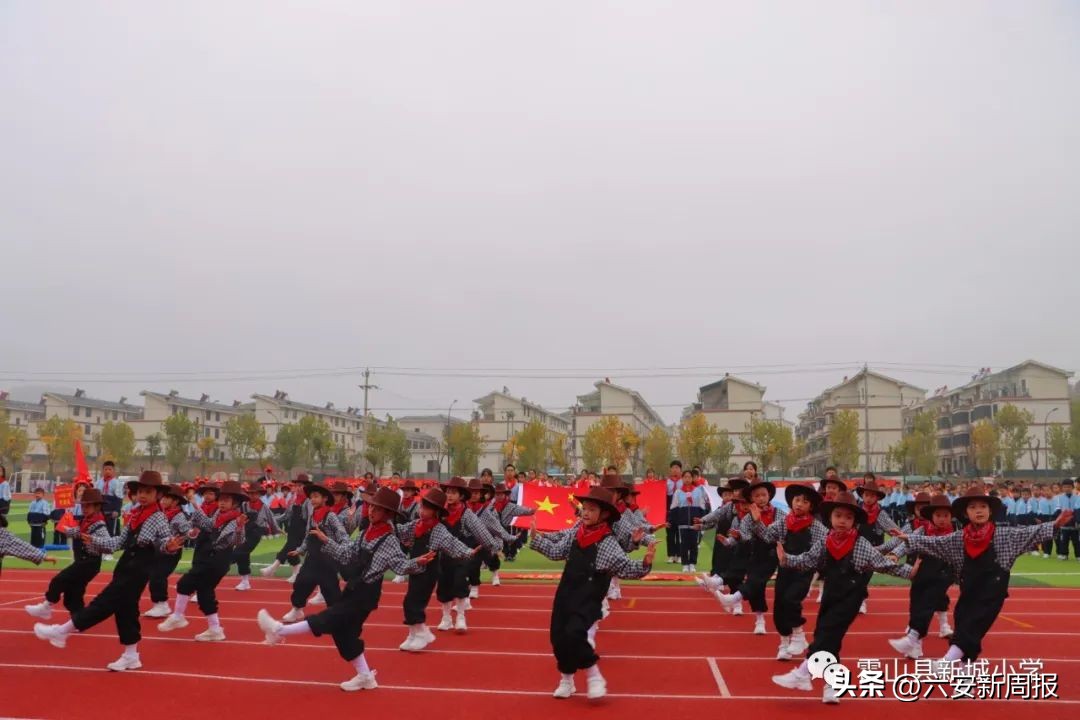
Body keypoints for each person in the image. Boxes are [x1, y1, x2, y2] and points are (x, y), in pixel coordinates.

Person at [256, 487, 436, 692]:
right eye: (371, 506)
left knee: (330, 618)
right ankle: (366, 676)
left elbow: (400, 565)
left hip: (366, 593)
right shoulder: (367, 533)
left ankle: (279, 630)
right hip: (354, 587)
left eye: (378, 509)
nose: (371, 511)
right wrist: (326, 541)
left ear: (388, 515)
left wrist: (418, 562)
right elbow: (346, 554)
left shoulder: (390, 540)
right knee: (344, 635)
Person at [894, 486, 1074, 666]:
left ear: (990, 511)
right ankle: (966, 677)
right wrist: (909, 539)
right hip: (969, 590)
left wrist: (1055, 524)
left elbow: (1029, 533)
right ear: (965, 513)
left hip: (991, 592)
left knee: (972, 626)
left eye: (983, 507)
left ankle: (946, 662)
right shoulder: (958, 538)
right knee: (963, 623)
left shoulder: (1004, 535)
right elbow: (935, 543)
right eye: (972, 507)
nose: (978, 510)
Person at [771, 491, 917, 704]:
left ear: (855, 522)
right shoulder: (826, 541)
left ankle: (802, 673)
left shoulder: (860, 544)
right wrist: (787, 560)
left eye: (848, 518)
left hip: (850, 595)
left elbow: (883, 564)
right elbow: (808, 559)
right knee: (829, 638)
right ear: (830, 518)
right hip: (831, 592)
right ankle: (832, 685)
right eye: (838, 516)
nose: (842, 521)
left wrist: (909, 572)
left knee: (827, 635)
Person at [32, 471, 184, 671]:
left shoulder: (158, 517)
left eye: (148, 491)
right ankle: (131, 655)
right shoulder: (136, 515)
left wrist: (168, 546)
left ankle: (63, 631)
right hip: (126, 566)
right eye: (140, 491)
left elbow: (163, 540)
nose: (143, 495)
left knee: (103, 603)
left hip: (138, 568)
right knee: (126, 611)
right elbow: (117, 542)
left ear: (158, 495)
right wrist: (95, 540)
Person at [532, 486, 656, 700]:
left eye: (591, 509)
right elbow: (556, 551)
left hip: (589, 597)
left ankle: (594, 674)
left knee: (575, 633)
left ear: (604, 514)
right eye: (584, 509)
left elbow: (624, 566)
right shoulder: (576, 531)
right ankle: (567, 680)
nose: (585, 513)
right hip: (566, 591)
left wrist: (644, 563)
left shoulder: (608, 542)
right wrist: (537, 539)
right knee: (558, 638)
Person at [157, 480, 248, 641]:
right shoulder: (218, 516)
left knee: (185, 583)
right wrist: (193, 504)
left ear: (235, 503)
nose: (222, 503)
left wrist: (240, 528)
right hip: (211, 558)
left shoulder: (236, 520)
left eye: (226, 501)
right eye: (221, 499)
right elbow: (207, 524)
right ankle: (215, 629)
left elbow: (237, 541)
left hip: (217, 560)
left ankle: (178, 616)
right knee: (205, 593)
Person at [395, 487, 478, 652]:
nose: (421, 511)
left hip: (428, 571)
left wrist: (469, 552)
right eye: (421, 507)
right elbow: (401, 532)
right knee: (409, 601)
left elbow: (452, 544)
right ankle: (413, 634)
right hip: (414, 568)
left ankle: (422, 634)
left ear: (436, 512)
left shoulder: (438, 529)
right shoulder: (415, 525)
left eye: (426, 508)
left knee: (416, 602)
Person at [757, 483, 827, 660]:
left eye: (805, 501)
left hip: (804, 572)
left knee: (791, 599)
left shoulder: (816, 527)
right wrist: (756, 521)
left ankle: (798, 633)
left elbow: (825, 546)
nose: (799, 504)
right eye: (797, 500)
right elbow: (766, 536)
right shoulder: (783, 523)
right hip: (785, 571)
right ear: (791, 502)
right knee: (779, 607)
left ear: (811, 506)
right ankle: (784, 643)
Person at [883, 494, 956, 659]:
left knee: (929, 602)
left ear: (951, 516)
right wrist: (895, 553)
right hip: (923, 568)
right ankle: (915, 645)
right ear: (931, 516)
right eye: (938, 515)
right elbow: (908, 541)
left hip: (943, 572)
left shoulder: (955, 532)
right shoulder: (923, 529)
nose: (942, 519)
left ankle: (913, 636)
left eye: (946, 515)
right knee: (916, 603)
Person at [26, 488, 109, 619]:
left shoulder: (99, 525)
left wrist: (93, 540)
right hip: (82, 561)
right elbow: (76, 532)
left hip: (89, 563)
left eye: (88, 506)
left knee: (59, 580)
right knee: (74, 592)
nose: (84, 509)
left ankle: (46, 606)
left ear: (97, 507)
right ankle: (79, 618)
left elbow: (108, 544)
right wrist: (64, 527)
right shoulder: (85, 521)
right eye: (83, 505)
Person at [435, 476, 500, 631]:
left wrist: (492, 546)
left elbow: (481, 531)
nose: (449, 495)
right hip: (443, 556)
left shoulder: (466, 514)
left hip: (462, 556)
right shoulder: (440, 512)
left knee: (459, 583)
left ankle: (461, 617)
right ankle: (446, 618)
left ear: (462, 496)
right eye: (448, 492)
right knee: (443, 586)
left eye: (453, 493)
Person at [280, 479, 347, 621]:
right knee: (301, 583)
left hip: (328, 560)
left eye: (316, 496)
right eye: (311, 497)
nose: (313, 500)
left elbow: (343, 535)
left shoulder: (331, 517)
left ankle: (337, 616)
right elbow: (307, 536)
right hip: (312, 558)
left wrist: (342, 550)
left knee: (331, 590)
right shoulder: (312, 515)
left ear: (325, 498)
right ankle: (297, 610)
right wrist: (300, 549)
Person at [144, 483, 194, 618]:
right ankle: (158, 604)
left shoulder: (179, 516)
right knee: (153, 574)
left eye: (167, 498)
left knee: (158, 575)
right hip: (159, 549)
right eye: (163, 498)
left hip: (172, 551)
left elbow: (187, 531)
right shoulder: (161, 513)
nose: (163, 501)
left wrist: (191, 533)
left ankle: (162, 604)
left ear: (176, 501)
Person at [852, 476, 900, 614]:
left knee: (864, 576)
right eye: (866, 495)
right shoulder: (856, 511)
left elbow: (896, 533)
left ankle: (861, 601)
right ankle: (856, 600)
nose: (868, 498)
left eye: (872, 496)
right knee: (854, 576)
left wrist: (889, 549)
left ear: (877, 498)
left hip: (874, 551)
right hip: (856, 549)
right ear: (862, 495)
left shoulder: (881, 514)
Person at [233, 480, 280, 591]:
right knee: (243, 555)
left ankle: (227, 561)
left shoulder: (264, 507)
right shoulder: (243, 505)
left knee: (239, 551)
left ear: (259, 494)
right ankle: (245, 581)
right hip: (245, 532)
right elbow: (236, 516)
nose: (252, 495)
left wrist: (276, 530)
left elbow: (271, 520)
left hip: (256, 533)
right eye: (250, 493)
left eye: (255, 493)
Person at [670, 469, 708, 572]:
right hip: (682, 523)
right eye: (685, 477)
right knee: (683, 544)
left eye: (689, 477)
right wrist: (674, 520)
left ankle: (692, 563)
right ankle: (685, 564)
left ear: (692, 478)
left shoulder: (698, 491)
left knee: (694, 544)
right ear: (682, 479)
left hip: (694, 523)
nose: (687, 479)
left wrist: (701, 520)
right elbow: (674, 507)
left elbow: (702, 507)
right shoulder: (678, 492)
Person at [96, 461, 124, 537]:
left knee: (111, 532)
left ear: (113, 471)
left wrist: (117, 510)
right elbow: (96, 496)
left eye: (110, 469)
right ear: (102, 471)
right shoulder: (98, 482)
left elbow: (119, 499)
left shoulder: (116, 483)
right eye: (105, 469)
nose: (107, 471)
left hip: (111, 512)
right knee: (100, 530)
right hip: (100, 511)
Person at [664, 460, 682, 562]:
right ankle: (671, 555)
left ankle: (679, 555)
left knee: (680, 533)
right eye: (673, 467)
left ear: (680, 470)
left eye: (677, 468)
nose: (675, 470)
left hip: (680, 509)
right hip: (669, 510)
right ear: (670, 469)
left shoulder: (683, 481)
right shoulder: (666, 482)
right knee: (670, 533)